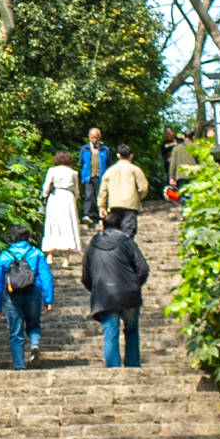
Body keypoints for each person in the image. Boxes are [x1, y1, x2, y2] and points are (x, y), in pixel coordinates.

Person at [82, 211, 150, 368]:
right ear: (120, 226)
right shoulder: (127, 242)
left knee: (110, 332)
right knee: (131, 331)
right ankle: (132, 365)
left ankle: (113, 368)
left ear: (103, 226)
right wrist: (134, 284)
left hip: (104, 295)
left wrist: (96, 289)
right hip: (129, 294)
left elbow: (86, 274)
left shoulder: (93, 245)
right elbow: (143, 268)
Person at [0, 225, 54, 370]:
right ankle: (34, 344)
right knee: (34, 324)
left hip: (12, 295)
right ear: (28, 237)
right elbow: (46, 277)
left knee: (15, 331)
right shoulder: (36, 254)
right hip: (33, 292)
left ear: (12, 238)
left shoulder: (4, 256)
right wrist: (48, 300)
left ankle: (19, 365)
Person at [98, 144, 150, 237]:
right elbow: (143, 188)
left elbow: (103, 191)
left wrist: (101, 206)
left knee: (113, 232)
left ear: (118, 155)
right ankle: (126, 250)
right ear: (131, 156)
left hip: (114, 204)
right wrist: (137, 197)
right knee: (128, 232)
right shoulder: (135, 170)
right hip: (130, 205)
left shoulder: (110, 170)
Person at [40, 151, 81, 252]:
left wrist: (45, 196)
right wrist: (74, 199)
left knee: (52, 224)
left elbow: (46, 187)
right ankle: (67, 257)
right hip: (68, 198)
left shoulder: (52, 171)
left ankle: (50, 254)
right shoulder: (73, 173)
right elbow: (76, 190)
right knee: (68, 225)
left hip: (55, 197)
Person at [78, 127, 110, 222]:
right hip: (88, 176)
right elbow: (81, 162)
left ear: (100, 137)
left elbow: (108, 163)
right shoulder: (84, 149)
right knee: (88, 196)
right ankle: (87, 215)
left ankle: (102, 216)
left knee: (101, 196)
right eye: (92, 137)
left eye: (96, 137)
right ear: (89, 137)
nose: (94, 140)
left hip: (101, 176)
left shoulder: (105, 149)